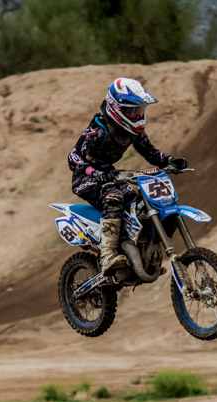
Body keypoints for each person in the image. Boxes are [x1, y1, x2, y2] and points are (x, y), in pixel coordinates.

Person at [68, 78, 189, 274]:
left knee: (137, 203)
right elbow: (74, 158)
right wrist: (93, 172)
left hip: (109, 175)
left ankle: (139, 254)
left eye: (140, 110)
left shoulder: (132, 132)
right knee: (114, 198)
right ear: (117, 108)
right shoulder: (98, 131)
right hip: (85, 178)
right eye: (133, 111)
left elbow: (150, 152)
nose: (138, 115)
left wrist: (170, 161)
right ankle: (107, 256)